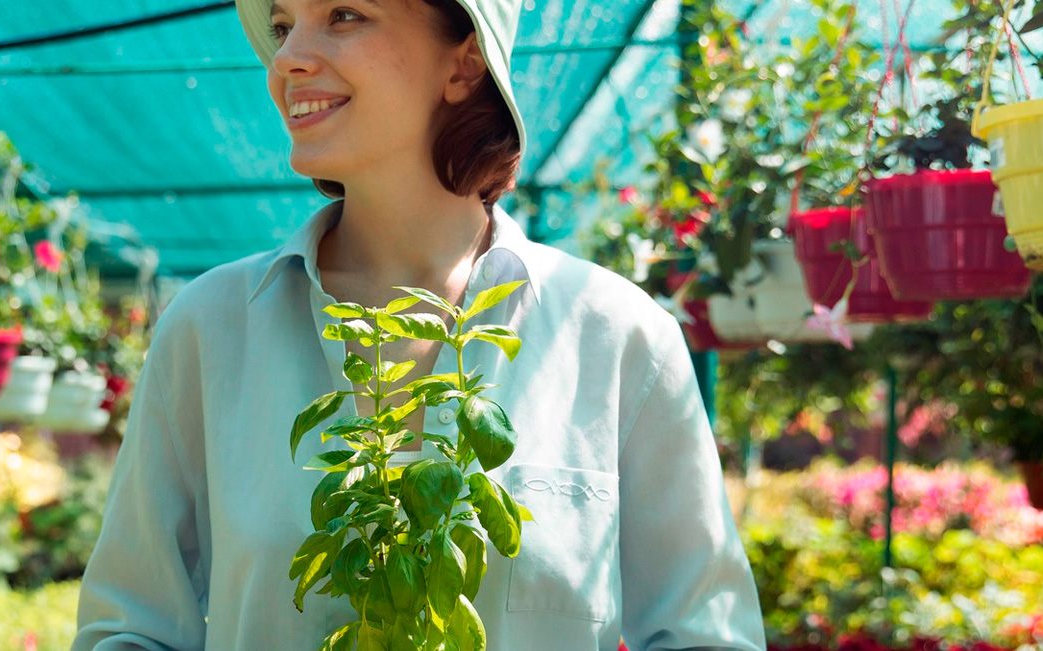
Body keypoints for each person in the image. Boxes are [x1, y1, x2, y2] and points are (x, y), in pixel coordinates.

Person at [71, 0, 767, 648]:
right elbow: (130, 626)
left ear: (464, 62)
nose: (286, 60)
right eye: (283, 26)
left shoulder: (619, 337)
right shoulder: (208, 329)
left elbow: (705, 629)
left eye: (343, 15)